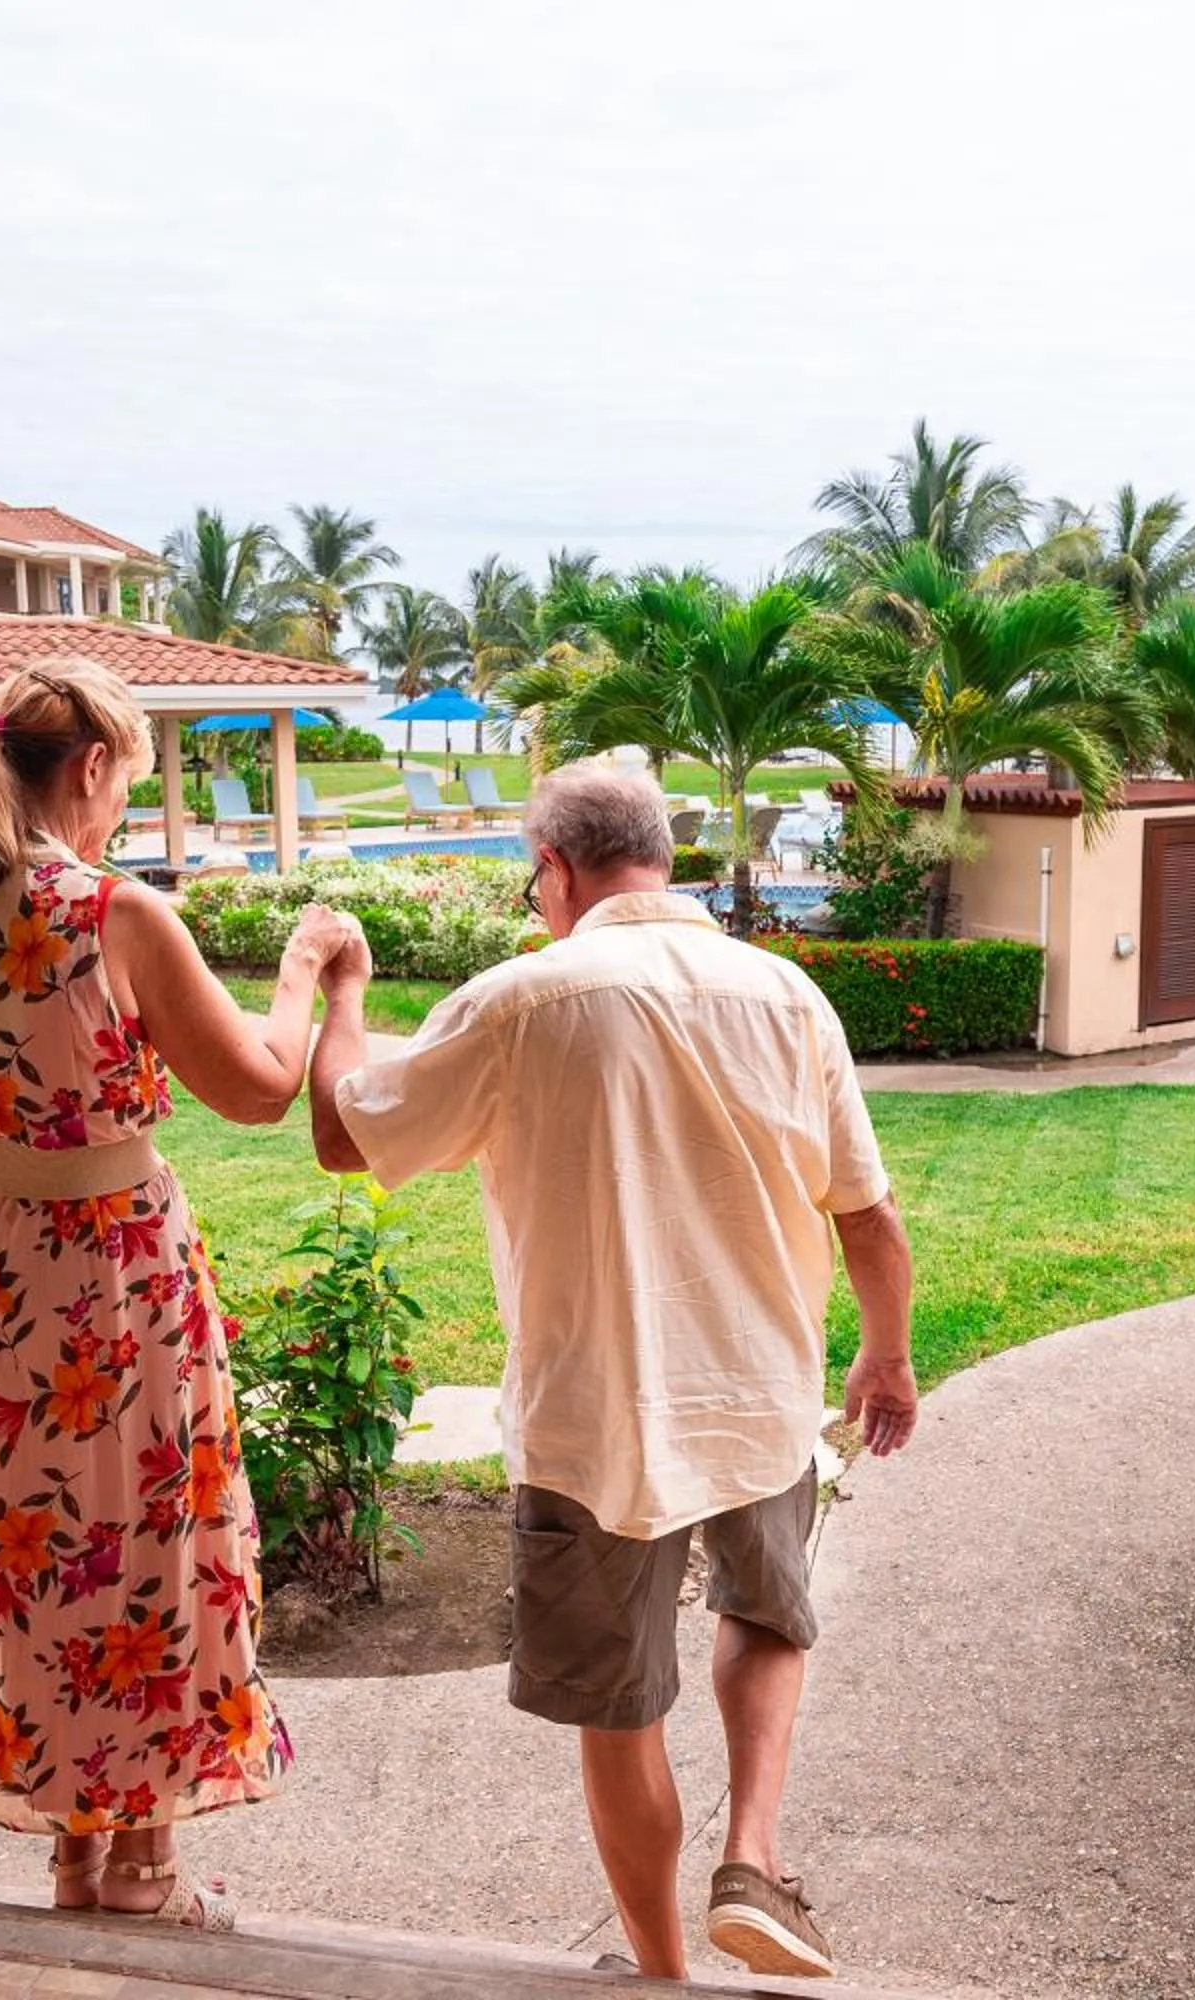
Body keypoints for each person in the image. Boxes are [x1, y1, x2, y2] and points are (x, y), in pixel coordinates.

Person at [305, 762, 920, 1981]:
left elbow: (341, 1132)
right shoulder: (787, 994)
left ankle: (661, 1970)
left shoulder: (517, 999)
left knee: (619, 1704)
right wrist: (888, 1355)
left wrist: (347, 992)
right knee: (768, 1613)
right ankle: (752, 1852)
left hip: (595, 1418)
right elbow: (869, 1216)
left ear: (555, 868)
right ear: (662, 854)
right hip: (760, 1391)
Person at [0, 659, 362, 1931]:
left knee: (28, 1558)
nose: (123, 798)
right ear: (88, 767)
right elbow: (260, 1088)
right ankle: (144, 1866)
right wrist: (310, 966)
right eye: (125, 774)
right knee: (144, 1547)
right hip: (114, 1285)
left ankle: (76, 1856)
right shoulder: (118, 913)